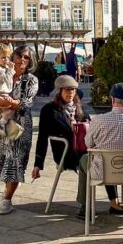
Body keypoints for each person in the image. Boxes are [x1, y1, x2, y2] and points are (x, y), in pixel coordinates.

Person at [78, 83, 123, 217]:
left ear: (112, 99)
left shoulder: (98, 121)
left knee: (85, 159)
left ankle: (86, 207)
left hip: (104, 173)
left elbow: (88, 144)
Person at [0, 46, 39, 215]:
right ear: (13, 56)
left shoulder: (30, 79)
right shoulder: (2, 73)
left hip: (21, 126)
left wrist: (6, 103)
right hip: (2, 125)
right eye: (19, 56)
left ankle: (6, 199)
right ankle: (8, 189)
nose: (22, 60)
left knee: (14, 161)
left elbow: (26, 104)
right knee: (3, 160)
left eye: (26, 57)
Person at [32, 75, 88, 209]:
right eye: (67, 90)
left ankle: (115, 200)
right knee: (89, 162)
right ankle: (86, 205)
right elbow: (42, 137)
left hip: (84, 149)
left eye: (73, 90)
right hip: (65, 153)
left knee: (105, 159)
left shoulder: (79, 108)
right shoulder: (50, 110)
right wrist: (38, 164)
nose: (71, 93)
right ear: (60, 91)